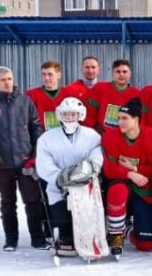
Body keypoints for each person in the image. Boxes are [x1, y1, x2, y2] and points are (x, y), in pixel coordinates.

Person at [0, 66, 47, 251]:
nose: (7, 82)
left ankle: (38, 239)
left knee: (32, 200)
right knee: (8, 202)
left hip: (26, 161)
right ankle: (11, 239)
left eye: (9, 78)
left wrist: (36, 153)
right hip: (3, 162)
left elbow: (36, 128)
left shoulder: (25, 101)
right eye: (3, 80)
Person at [35, 97, 104, 255]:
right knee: (62, 218)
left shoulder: (92, 136)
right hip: (57, 187)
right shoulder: (46, 139)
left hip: (84, 186)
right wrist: (61, 178)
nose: (69, 118)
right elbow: (44, 165)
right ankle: (65, 236)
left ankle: (88, 237)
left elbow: (96, 159)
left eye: (73, 114)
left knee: (85, 215)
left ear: (80, 115)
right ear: (60, 115)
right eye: (66, 114)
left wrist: (82, 175)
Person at [101, 98, 152, 252]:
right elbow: (109, 169)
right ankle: (115, 234)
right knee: (117, 190)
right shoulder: (110, 136)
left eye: (124, 118)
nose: (120, 122)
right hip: (121, 183)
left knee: (146, 245)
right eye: (119, 118)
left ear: (136, 119)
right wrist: (130, 174)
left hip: (144, 189)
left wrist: (135, 168)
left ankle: (128, 230)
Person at [87, 58, 141, 134]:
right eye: (118, 71)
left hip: (124, 138)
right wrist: (94, 130)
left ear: (130, 74)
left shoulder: (137, 94)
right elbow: (90, 114)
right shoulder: (100, 88)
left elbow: (137, 120)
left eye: (124, 72)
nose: (121, 74)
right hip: (101, 137)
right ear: (113, 73)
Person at [27, 60, 77, 132]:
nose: (46, 78)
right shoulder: (31, 95)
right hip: (41, 138)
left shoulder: (69, 94)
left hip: (64, 138)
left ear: (59, 75)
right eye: (44, 74)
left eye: (50, 74)